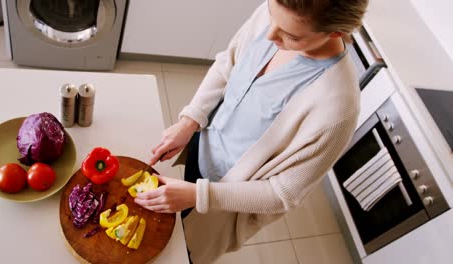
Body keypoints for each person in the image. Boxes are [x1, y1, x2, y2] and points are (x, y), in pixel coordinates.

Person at [134, 0, 368, 263]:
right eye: (271, 15)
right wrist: (190, 120)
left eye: (290, 35)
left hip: (226, 199)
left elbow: (282, 195)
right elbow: (228, 63)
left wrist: (200, 195)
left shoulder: (338, 108)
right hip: (201, 148)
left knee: (180, 251)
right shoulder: (276, 15)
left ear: (335, 33)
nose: (270, 35)